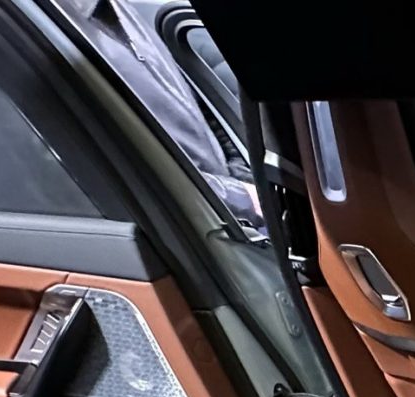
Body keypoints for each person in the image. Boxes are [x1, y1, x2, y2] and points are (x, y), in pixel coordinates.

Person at [53, 0, 263, 231]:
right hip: (185, 228)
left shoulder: (121, 10)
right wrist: (239, 198)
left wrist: (243, 179)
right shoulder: (52, 30)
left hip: (224, 216)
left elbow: (194, 108)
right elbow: (115, 171)